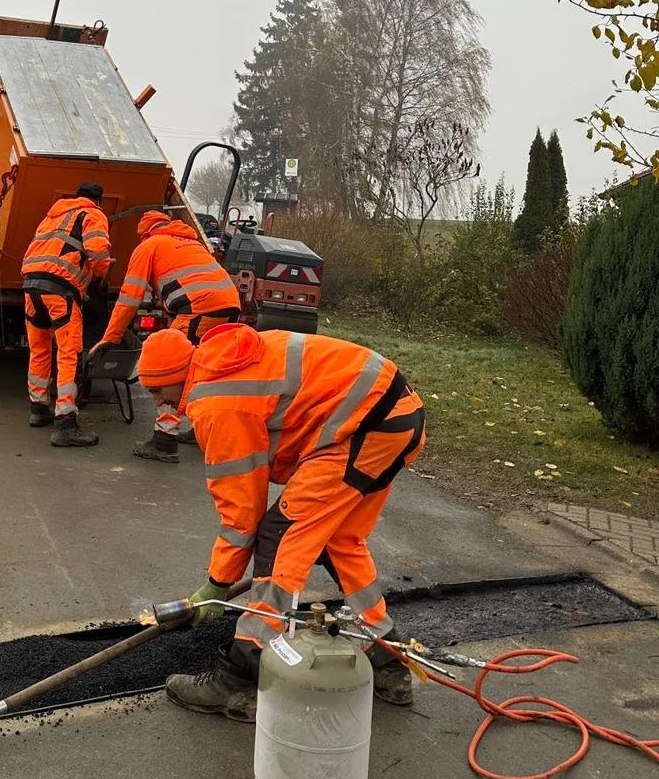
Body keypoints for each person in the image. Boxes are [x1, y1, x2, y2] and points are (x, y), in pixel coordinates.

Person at [135, 322, 423, 715]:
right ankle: (387, 658)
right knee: (338, 539)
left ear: (176, 376)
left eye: (157, 390)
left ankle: (240, 676)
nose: (158, 403)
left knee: (279, 533)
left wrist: (217, 585)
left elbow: (242, 514)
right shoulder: (223, 363)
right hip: (396, 417)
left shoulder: (216, 402)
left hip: (363, 426)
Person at [88, 210, 240, 464]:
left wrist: (111, 337)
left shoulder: (150, 245)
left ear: (145, 232)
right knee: (207, 370)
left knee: (171, 370)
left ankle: (165, 440)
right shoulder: (192, 243)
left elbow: (129, 298)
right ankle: (206, 427)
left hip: (198, 310)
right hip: (230, 306)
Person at [21, 182, 112, 447]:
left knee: (39, 348)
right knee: (69, 352)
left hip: (31, 287)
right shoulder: (93, 213)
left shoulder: (54, 215)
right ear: (99, 200)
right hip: (60, 290)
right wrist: (99, 275)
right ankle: (66, 422)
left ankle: (38, 409)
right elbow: (98, 254)